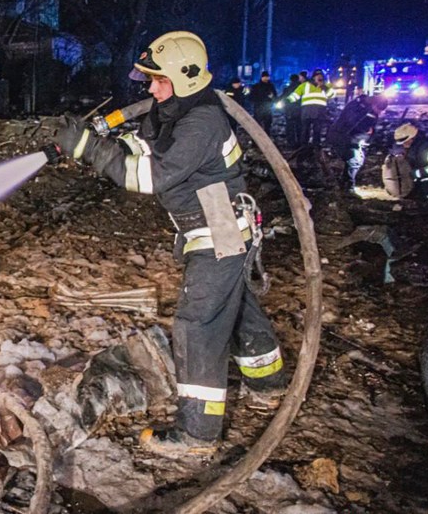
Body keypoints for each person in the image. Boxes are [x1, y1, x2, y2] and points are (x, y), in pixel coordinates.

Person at [54, 31, 286, 456]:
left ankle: (196, 433)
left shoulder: (202, 122)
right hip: (215, 219)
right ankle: (268, 383)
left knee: (197, 323)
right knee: (235, 309)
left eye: (159, 80)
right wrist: (97, 139)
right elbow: (146, 146)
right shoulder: (176, 110)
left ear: (187, 78)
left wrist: (89, 149)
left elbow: (149, 177)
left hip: (219, 223)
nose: (151, 87)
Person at [326, 94, 388, 193]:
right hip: (342, 137)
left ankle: (345, 183)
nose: (379, 113)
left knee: (355, 160)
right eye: (379, 110)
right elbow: (352, 122)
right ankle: (348, 187)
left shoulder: (363, 107)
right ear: (374, 105)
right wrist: (366, 130)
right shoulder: (359, 108)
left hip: (349, 138)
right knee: (354, 159)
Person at [285, 68, 335, 146]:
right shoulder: (305, 85)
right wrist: (287, 100)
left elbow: (332, 95)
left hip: (319, 112)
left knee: (317, 131)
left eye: (321, 76)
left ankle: (315, 147)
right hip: (307, 112)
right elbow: (295, 95)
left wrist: (323, 87)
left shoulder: (326, 85)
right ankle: (304, 147)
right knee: (305, 131)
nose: (319, 78)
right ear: (313, 77)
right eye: (317, 76)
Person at [391, 123, 428, 199]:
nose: (404, 144)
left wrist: (412, 174)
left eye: (405, 141)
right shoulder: (415, 149)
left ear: (412, 138)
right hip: (423, 180)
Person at [248, 71, 278, 135]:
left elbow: (275, 97)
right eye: (264, 77)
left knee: (268, 125)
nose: (266, 78)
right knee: (257, 126)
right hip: (259, 108)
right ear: (261, 77)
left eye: (267, 77)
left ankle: (267, 139)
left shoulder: (271, 86)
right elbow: (251, 97)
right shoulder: (256, 86)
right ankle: (256, 141)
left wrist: (272, 98)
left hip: (267, 108)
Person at [279, 73, 302, 148]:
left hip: (290, 111)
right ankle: (300, 142)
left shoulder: (287, 88)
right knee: (300, 127)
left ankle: (291, 143)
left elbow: (283, 97)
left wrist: (274, 100)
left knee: (290, 127)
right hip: (300, 110)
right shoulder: (302, 88)